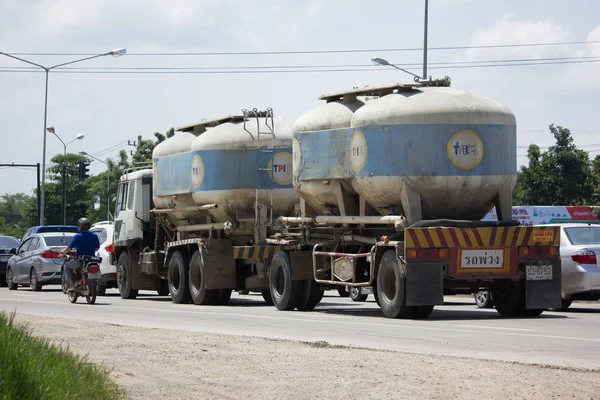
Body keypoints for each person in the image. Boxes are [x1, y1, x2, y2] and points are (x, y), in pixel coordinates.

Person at [61, 217, 100, 293]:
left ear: (80, 226)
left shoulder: (78, 236)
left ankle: (72, 286)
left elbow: (69, 248)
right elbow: (96, 248)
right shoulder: (94, 236)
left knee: (66, 265)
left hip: (80, 261)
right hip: (92, 261)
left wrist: (63, 252)